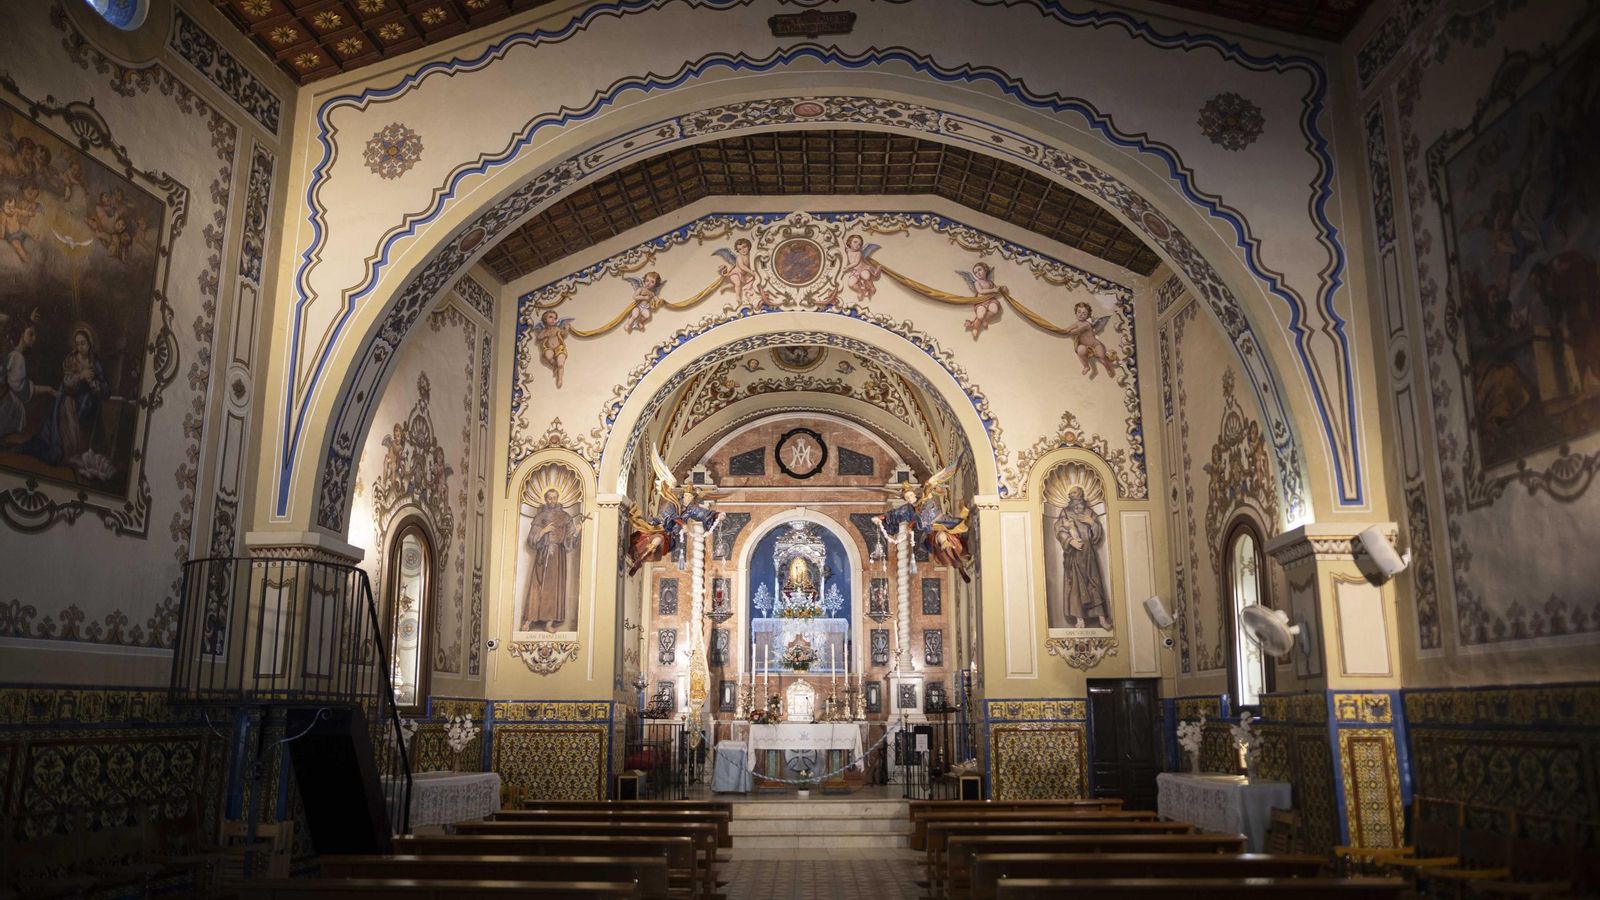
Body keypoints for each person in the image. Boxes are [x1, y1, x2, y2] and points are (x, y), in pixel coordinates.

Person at [25, 327, 106, 467]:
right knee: (63, 449)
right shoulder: (71, 359)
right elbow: (66, 382)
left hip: (85, 405)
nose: (81, 347)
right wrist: (81, 375)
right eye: (78, 344)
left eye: (83, 343)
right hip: (68, 403)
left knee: (83, 448)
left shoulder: (95, 363)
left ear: (90, 343)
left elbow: (104, 387)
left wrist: (96, 386)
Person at [521, 488, 580, 631]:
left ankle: (549, 623)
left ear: (558, 498)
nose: (552, 501)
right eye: (549, 498)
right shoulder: (540, 517)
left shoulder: (566, 517)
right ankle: (529, 620)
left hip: (558, 556)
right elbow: (531, 540)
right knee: (537, 586)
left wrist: (577, 531)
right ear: (546, 499)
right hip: (543, 553)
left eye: (554, 497)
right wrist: (543, 531)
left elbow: (569, 541)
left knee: (554, 589)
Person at [1055, 485, 1112, 630]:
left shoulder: (1089, 513)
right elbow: (1059, 529)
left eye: (1073, 492)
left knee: (1094, 584)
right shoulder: (1065, 512)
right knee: (1076, 586)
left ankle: (1101, 618)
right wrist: (1070, 540)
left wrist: (1092, 523)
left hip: (1089, 555)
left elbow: (1097, 534)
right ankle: (1080, 620)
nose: (1070, 494)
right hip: (1074, 555)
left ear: (1080, 494)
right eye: (1070, 492)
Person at [0, 319, 54, 443]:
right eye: (31, 334)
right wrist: (47, 389)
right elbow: (20, 388)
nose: (34, 338)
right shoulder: (18, 357)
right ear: (21, 334)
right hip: (9, 406)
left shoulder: (12, 354)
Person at [1063, 302, 1118, 379]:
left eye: (1084, 313)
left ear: (1088, 315)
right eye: (1079, 312)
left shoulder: (1086, 324)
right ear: (1076, 312)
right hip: (1085, 346)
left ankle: (1108, 368)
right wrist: (1060, 330)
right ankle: (1086, 366)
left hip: (1095, 345)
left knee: (1102, 357)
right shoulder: (1077, 323)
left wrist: (1066, 332)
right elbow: (1067, 329)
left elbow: (1075, 331)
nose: (1081, 315)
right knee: (1080, 350)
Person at [961, 262, 1004, 336]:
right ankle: (975, 327)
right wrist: (993, 290)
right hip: (981, 302)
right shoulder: (977, 283)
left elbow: (995, 290)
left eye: (979, 270)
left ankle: (985, 319)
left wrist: (1000, 289)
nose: (978, 273)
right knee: (980, 315)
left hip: (991, 300)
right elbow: (981, 291)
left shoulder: (990, 282)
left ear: (986, 269)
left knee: (994, 310)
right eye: (976, 272)